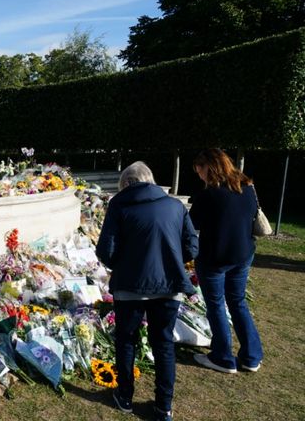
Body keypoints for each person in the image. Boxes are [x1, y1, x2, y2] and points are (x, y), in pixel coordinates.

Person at [96, 161, 198, 421]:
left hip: (130, 285)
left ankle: (125, 396)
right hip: (169, 284)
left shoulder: (119, 204)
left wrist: (122, 264)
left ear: (127, 183)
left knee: (126, 340)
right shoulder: (175, 206)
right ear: (150, 180)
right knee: (163, 343)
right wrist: (173, 259)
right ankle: (164, 407)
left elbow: (106, 250)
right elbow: (191, 244)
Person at [189, 148, 263, 374]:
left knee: (216, 305)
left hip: (215, 258)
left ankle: (222, 356)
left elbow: (192, 225)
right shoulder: (247, 187)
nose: (198, 174)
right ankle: (251, 356)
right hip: (243, 253)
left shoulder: (209, 194)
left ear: (208, 167)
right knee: (238, 301)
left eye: (199, 169)